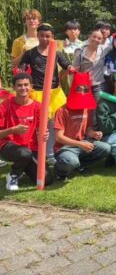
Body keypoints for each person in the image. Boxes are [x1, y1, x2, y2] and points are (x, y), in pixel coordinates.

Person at [19, 23, 74, 162]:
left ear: (52, 37)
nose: (44, 38)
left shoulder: (56, 52)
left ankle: (52, 152)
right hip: (37, 92)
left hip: (54, 93)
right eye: (42, 36)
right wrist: (21, 74)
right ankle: (38, 152)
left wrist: (70, 68)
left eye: (48, 36)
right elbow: (21, 69)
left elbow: (66, 64)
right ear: (37, 36)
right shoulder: (30, 53)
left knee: (55, 123)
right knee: (40, 125)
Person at [0, 73, 53, 191]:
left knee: (46, 179)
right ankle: (13, 175)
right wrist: (12, 130)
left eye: (26, 85)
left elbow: (41, 130)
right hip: (7, 146)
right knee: (24, 153)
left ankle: (22, 166)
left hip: (31, 148)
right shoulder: (5, 105)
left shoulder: (38, 106)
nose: (23, 88)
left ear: (31, 86)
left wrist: (44, 134)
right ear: (13, 87)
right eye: (19, 85)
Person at [54, 72, 111, 180]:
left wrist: (93, 134)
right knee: (71, 161)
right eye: (78, 89)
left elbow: (88, 129)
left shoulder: (87, 108)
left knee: (106, 148)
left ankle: (81, 165)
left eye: (85, 90)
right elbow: (59, 137)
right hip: (65, 147)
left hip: (82, 144)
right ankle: (59, 171)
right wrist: (80, 144)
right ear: (72, 90)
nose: (82, 93)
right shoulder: (62, 110)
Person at [73, 28, 111, 100]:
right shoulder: (80, 51)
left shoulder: (104, 50)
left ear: (102, 40)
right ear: (89, 36)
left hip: (98, 85)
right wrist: (78, 85)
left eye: (99, 38)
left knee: (98, 105)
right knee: (83, 105)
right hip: (83, 85)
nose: (96, 39)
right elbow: (74, 71)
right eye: (94, 37)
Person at [59, 20, 83, 95]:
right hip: (66, 75)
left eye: (75, 29)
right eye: (70, 29)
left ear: (79, 31)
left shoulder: (84, 45)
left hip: (80, 73)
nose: (73, 31)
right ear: (66, 31)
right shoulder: (61, 44)